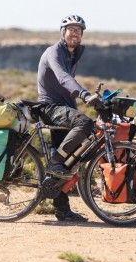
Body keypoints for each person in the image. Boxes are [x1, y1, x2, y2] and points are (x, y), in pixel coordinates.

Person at [36, 14, 102, 222]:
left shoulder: (73, 54)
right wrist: (83, 95)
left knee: (69, 159)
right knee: (84, 123)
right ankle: (54, 161)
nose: (75, 33)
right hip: (50, 107)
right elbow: (63, 78)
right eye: (71, 29)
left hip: (64, 107)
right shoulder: (54, 52)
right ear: (62, 32)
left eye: (78, 30)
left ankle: (62, 210)